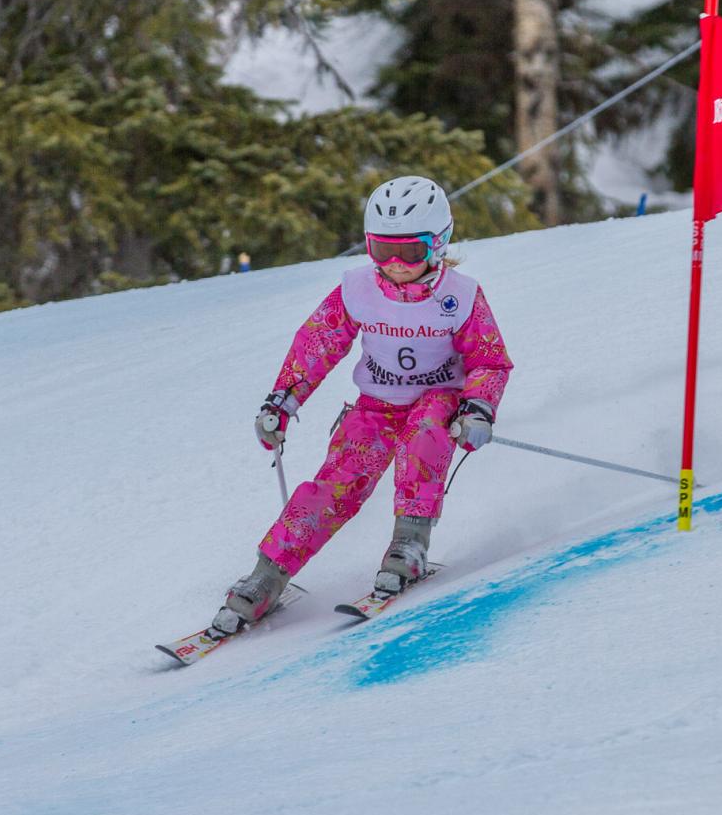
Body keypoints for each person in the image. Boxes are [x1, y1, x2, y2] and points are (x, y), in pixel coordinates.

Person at [215, 175, 513, 633]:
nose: (394, 264)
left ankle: (409, 543)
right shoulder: (358, 289)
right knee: (335, 483)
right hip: (376, 405)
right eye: (381, 249)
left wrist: (478, 408)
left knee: (425, 436)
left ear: (438, 243)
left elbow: (488, 360)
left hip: (438, 400)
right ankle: (268, 575)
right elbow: (318, 342)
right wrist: (283, 400)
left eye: (409, 252)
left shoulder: (461, 296)